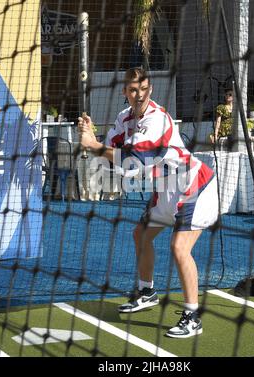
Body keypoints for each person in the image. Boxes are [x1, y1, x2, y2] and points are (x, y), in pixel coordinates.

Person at [78, 67, 218, 338]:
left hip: (193, 185)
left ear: (150, 90)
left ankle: (192, 316)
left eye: (143, 89)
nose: (138, 95)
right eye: (133, 90)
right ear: (125, 93)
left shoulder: (158, 119)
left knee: (179, 247)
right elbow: (110, 156)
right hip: (166, 187)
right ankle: (147, 291)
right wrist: (91, 138)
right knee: (141, 234)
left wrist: (94, 146)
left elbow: (133, 161)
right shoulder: (123, 118)